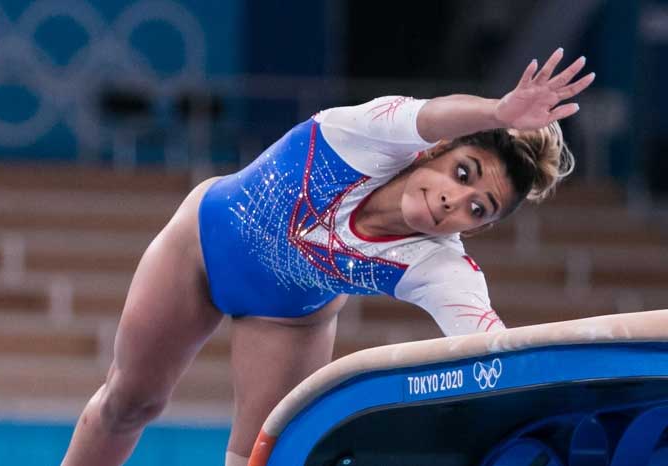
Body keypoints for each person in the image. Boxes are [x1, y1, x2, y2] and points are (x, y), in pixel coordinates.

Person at [60, 47, 594, 466]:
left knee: (264, 460)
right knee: (131, 402)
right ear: (436, 150)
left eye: (479, 208)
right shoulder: (367, 137)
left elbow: (486, 343)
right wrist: (499, 112)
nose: (456, 201)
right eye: (463, 172)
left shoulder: (435, 263)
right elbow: (430, 114)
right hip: (200, 246)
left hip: (288, 319)